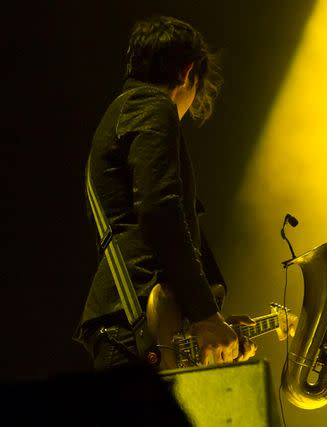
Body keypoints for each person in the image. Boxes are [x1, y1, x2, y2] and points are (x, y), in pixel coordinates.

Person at [74, 15, 256, 371]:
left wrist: (210, 323)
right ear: (188, 73)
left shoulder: (121, 112)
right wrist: (205, 314)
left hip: (133, 322)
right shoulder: (151, 105)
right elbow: (160, 212)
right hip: (132, 326)